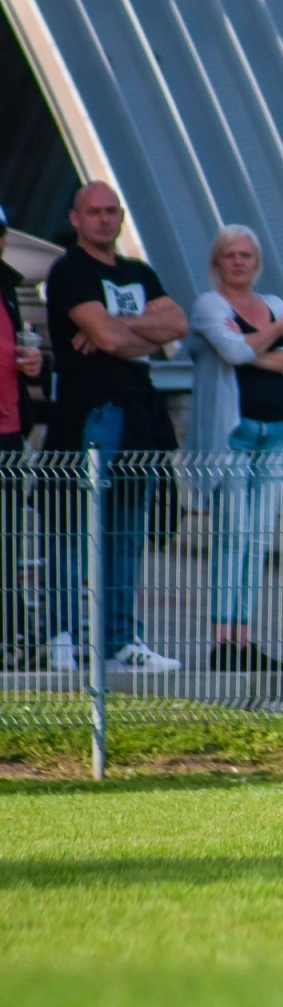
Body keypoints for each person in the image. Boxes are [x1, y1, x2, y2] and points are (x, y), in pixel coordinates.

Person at [42, 182, 188, 672]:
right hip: (90, 412)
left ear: (121, 217)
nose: (104, 219)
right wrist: (123, 330)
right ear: (76, 218)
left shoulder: (138, 272)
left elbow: (177, 325)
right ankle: (62, 635)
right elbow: (108, 339)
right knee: (73, 526)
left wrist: (115, 327)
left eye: (111, 211)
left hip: (138, 415)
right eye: (94, 212)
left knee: (126, 530)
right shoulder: (70, 270)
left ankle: (120, 640)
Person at [185, 225, 283, 671]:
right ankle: (222, 638)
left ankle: (244, 637)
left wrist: (251, 346)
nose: (239, 262)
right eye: (230, 255)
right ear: (217, 262)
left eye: (246, 255)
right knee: (231, 534)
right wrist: (275, 333)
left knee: (258, 538)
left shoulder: (274, 303)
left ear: (257, 263)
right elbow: (232, 353)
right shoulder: (210, 305)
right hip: (233, 435)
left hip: (276, 434)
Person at [0, 205, 44, 668]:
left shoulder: (8, 288)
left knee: (9, 539)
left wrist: (35, 364)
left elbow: (22, 353)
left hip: (9, 431)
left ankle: (12, 634)